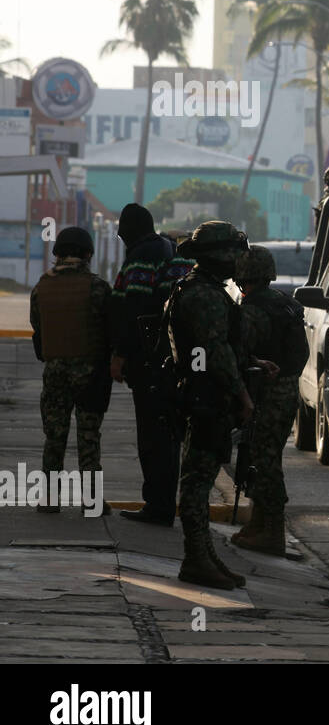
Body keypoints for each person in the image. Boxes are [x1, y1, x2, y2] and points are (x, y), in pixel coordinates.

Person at [168, 222, 262, 589]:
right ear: (220, 255)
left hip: (205, 395)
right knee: (196, 482)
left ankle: (204, 555)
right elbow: (215, 351)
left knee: (201, 478)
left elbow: (224, 346)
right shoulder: (204, 295)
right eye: (235, 254)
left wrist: (253, 362)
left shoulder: (202, 290)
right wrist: (243, 394)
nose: (239, 261)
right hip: (205, 398)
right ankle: (196, 559)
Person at [110, 203, 193, 526]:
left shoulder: (143, 255)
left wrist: (120, 354)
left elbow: (135, 309)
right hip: (175, 361)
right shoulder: (173, 251)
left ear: (127, 231)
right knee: (169, 434)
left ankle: (157, 506)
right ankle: (164, 503)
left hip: (149, 362)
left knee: (152, 436)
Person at [30, 227, 113, 513]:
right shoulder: (99, 288)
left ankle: (49, 498)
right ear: (88, 254)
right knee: (88, 437)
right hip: (89, 373)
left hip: (54, 372)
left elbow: (38, 332)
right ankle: (91, 500)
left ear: (57, 254)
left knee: (54, 436)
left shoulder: (42, 286)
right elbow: (108, 333)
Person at [230, 245, 303, 557]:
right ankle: (259, 526)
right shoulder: (286, 303)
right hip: (286, 389)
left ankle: (272, 532)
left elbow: (239, 352)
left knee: (265, 461)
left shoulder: (253, 309)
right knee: (264, 457)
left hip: (266, 391)